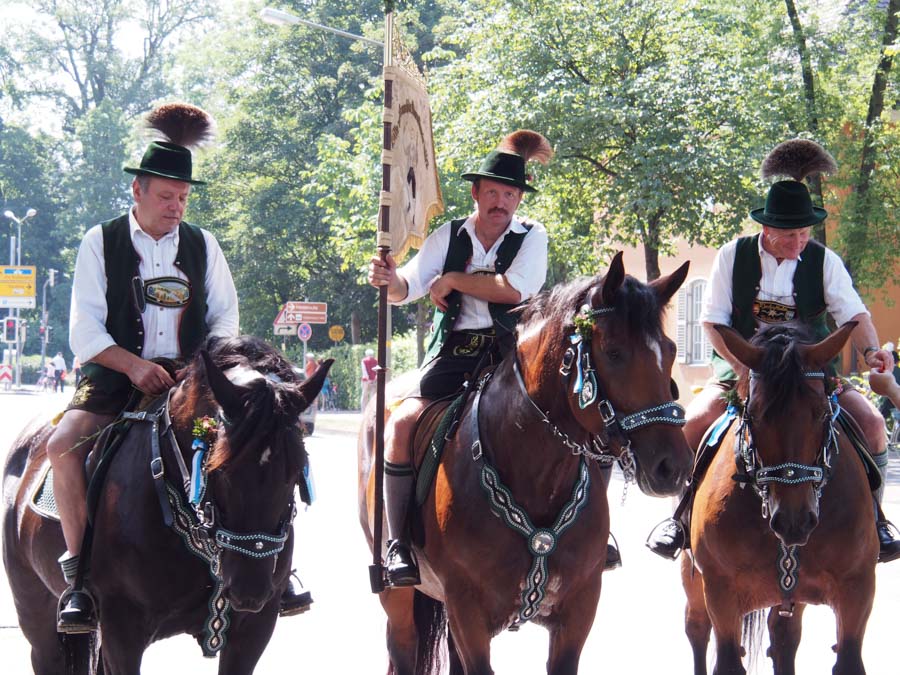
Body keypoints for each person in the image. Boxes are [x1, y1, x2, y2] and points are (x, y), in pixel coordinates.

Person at [45, 102, 315, 633]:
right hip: (113, 376)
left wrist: (202, 372)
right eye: (166, 196)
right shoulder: (100, 242)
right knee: (60, 445)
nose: (176, 208)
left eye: (184, 199)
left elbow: (225, 322)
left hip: (195, 381)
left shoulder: (203, 244)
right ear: (138, 190)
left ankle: (278, 569)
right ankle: (78, 577)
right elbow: (85, 331)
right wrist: (132, 364)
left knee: (267, 442)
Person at [645, 139, 900, 563]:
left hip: (811, 375)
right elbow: (712, 322)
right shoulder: (733, 256)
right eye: (788, 235)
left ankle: (876, 518)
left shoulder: (824, 260)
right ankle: (681, 517)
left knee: (873, 424)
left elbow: (855, 316)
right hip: (744, 369)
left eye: (804, 233)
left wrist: (874, 353)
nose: (798, 242)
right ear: (766, 229)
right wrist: (740, 370)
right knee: (692, 425)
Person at [368, 130, 559, 587]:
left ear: (518, 198)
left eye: (509, 194)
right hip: (455, 352)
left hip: (515, 354)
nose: (501, 202)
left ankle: (591, 534)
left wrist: (453, 278)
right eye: (492, 192)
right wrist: (388, 279)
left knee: (576, 414)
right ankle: (399, 545)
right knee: (399, 425)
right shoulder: (448, 234)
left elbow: (515, 289)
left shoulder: (533, 235)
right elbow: (406, 288)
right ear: (475, 192)